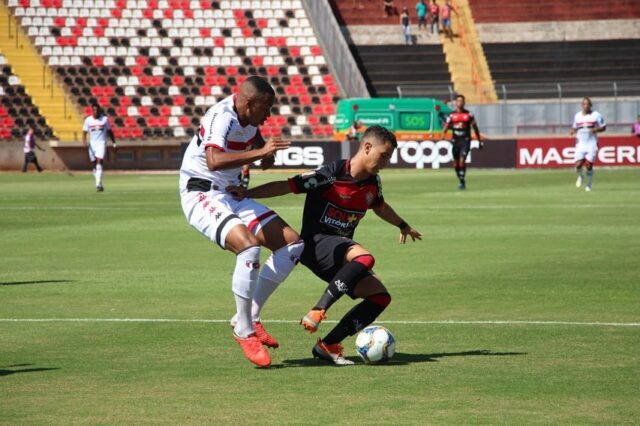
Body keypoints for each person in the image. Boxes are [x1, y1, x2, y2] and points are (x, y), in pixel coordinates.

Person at [230, 126, 422, 365]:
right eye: (384, 155)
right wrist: (247, 194)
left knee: (380, 296)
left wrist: (402, 225)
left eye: (389, 157)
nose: (386, 162)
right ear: (367, 147)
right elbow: (287, 185)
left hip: (339, 254)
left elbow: (380, 206)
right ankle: (318, 310)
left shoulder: (373, 183)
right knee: (365, 258)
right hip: (315, 244)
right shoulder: (331, 174)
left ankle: (328, 345)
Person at [179, 76, 305, 367]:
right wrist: (260, 153)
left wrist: (265, 157)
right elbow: (213, 160)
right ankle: (244, 331)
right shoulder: (220, 117)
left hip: (231, 193)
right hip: (201, 194)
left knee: (293, 245)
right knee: (249, 248)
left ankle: (250, 316)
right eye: (267, 107)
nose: (269, 114)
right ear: (249, 103)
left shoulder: (249, 118)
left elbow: (254, 138)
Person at [442, 94, 482, 190]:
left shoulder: (469, 114)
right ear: (456, 103)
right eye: (458, 101)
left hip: (465, 140)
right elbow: (446, 127)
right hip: (455, 141)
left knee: (462, 160)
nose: (460, 102)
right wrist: (443, 135)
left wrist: (479, 140)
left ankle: (462, 180)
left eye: (461, 101)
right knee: (456, 164)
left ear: (464, 103)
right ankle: (460, 179)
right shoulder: (452, 115)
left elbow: (475, 128)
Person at [570, 97, 606, 192]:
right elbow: (575, 127)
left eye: (588, 104)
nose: (586, 106)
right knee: (578, 164)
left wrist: (595, 129)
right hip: (580, 143)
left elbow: (604, 127)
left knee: (589, 165)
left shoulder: (596, 115)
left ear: (590, 105)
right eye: (584, 104)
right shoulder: (577, 116)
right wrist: (573, 131)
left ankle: (588, 185)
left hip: (591, 143)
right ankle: (580, 176)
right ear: (582, 105)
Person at [82, 103, 116, 192]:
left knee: (99, 162)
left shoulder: (104, 119)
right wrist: (84, 141)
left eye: (97, 110)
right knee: (94, 166)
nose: (95, 112)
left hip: (101, 143)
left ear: (99, 110)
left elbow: (110, 131)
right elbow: (84, 132)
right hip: (92, 145)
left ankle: (97, 185)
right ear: (92, 111)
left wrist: (114, 143)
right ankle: (100, 183)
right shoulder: (88, 120)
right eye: (94, 110)